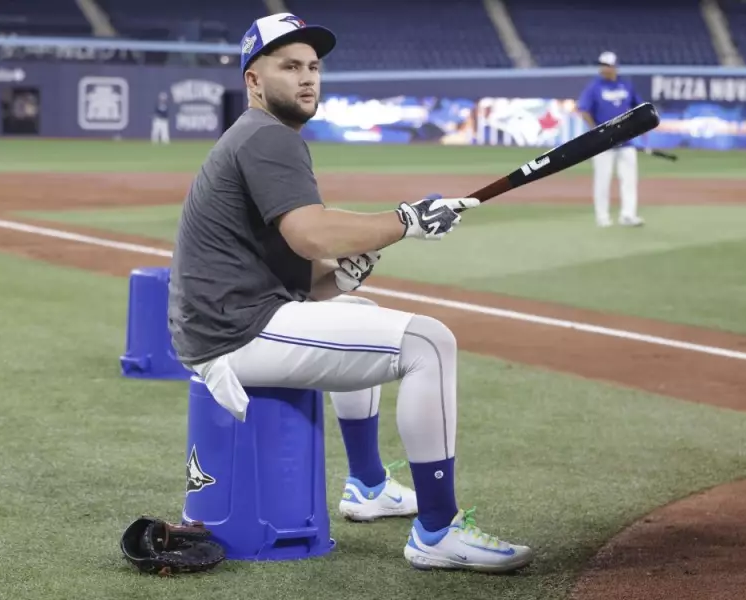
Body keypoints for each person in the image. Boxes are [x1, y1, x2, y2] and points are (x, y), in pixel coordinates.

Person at [167, 12, 534, 573]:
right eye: (290, 66)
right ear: (254, 81)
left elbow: (289, 268)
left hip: (229, 321)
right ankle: (437, 530)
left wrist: (338, 276)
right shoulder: (267, 137)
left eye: (313, 67)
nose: (308, 77)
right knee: (430, 344)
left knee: (352, 304)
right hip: (233, 333)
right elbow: (310, 232)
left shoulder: (261, 137)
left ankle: (366, 485)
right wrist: (407, 217)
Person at [577, 51, 646, 227]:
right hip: (603, 143)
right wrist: (596, 131)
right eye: (602, 65)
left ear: (615, 67)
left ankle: (628, 215)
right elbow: (584, 110)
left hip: (626, 140)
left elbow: (638, 107)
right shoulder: (594, 87)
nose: (604, 69)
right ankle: (603, 217)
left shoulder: (626, 85)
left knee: (629, 179)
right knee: (603, 180)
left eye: (608, 65)